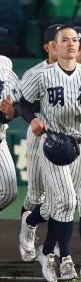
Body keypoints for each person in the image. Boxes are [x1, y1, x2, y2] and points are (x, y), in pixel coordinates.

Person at [20, 25, 81, 282]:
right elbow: (25, 103)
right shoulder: (42, 76)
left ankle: (66, 257)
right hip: (56, 145)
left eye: (75, 41)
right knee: (67, 201)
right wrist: (32, 120)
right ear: (53, 46)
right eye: (65, 40)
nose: (72, 44)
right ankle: (59, 257)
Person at [18, 24, 61, 263]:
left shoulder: (79, 71)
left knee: (63, 197)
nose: (63, 44)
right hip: (39, 138)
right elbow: (23, 106)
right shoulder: (35, 73)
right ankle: (28, 229)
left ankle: (53, 244)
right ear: (48, 46)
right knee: (36, 195)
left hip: (65, 141)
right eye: (57, 41)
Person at [0, 53, 19, 212]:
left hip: (0, 138)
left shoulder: (5, 62)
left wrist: (9, 113)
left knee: (9, 192)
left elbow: (15, 103)